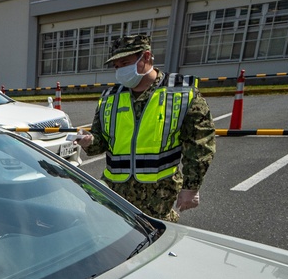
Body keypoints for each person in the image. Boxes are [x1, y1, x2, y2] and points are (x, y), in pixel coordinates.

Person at [75, 34, 216, 222]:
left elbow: (200, 144)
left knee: (158, 243)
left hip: (159, 197)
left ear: (146, 57)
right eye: (117, 66)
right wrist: (89, 141)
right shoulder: (110, 97)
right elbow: (101, 142)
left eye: (126, 63)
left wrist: (191, 187)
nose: (121, 70)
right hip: (116, 194)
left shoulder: (180, 93)